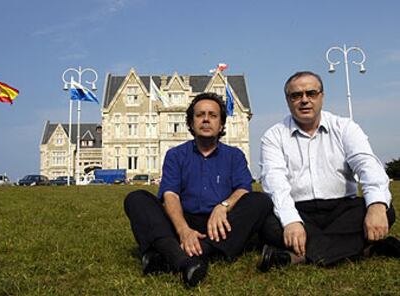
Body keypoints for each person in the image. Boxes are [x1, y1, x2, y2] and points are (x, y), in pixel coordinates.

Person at [124, 92, 272, 287]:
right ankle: (186, 260)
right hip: (183, 219)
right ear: (191, 123)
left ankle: (172, 255)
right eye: (200, 115)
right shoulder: (175, 155)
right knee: (136, 199)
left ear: (221, 125)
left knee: (260, 201)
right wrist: (184, 230)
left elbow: (243, 189)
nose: (206, 119)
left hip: (220, 224)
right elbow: (170, 194)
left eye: (212, 115)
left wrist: (223, 206)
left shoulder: (234, 156)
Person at [258, 71, 399, 272]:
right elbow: (274, 182)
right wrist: (291, 221)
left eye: (311, 93)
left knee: (385, 209)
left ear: (322, 96)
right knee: (269, 224)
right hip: (299, 210)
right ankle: (365, 249)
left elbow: (367, 164)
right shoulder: (273, 136)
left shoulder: (344, 127)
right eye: (296, 95)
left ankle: (297, 257)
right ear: (288, 101)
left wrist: (376, 206)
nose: (304, 100)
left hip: (342, 208)